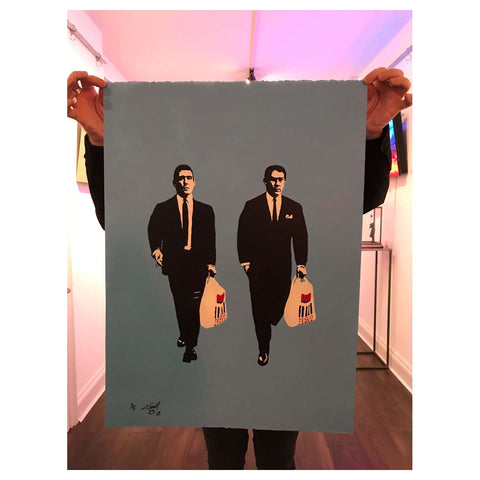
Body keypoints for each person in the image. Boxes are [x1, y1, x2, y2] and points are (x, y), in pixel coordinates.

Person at [67, 67, 412, 469]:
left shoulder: (294, 185)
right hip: (219, 351)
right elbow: (120, 213)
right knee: (223, 457)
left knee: (277, 458)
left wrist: (370, 133)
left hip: (283, 366)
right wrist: (101, 141)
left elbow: (360, 198)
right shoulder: (206, 185)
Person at [237, 165, 308, 366]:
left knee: (278, 303)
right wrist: (246, 263)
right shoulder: (252, 206)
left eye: (280, 180)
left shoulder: (294, 207)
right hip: (257, 268)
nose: (277, 183)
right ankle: (263, 349)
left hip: (282, 267)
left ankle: (270, 317)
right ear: (265, 181)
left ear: (284, 181)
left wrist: (301, 264)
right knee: (258, 309)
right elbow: (243, 235)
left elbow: (301, 238)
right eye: (273, 179)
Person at [147, 165, 216, 362]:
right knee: (180, 303)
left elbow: (210, 239)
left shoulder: (206, 210)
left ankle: (191, 346)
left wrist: (211, 263)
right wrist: (156, 250)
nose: (185, 181)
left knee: (194, 306)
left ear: (194, 182)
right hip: (175, 264)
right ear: (174, 182)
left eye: (189, 177)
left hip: (198, 265)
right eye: (181, 178)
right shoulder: (163, 208)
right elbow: (153, 230)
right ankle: (184, 333)